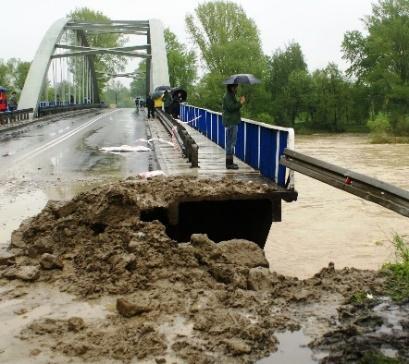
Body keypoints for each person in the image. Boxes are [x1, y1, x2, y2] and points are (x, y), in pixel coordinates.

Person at [222, 84, 245, 170]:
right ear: (232, 87)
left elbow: (232, 106)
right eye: (236, 87)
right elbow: (231, 108)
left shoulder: (231, 96)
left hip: (233, 121)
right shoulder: (228, 96)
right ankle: (229, 164)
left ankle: (230, 162)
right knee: (231, 143)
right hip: (231, 122)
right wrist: (240, 103)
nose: (237, 88)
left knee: (231, 142)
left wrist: (238, 102)